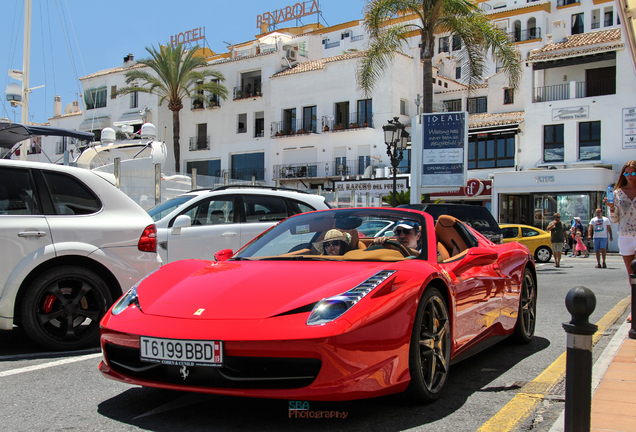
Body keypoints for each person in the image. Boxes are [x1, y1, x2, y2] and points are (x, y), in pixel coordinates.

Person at [605, 160, 636, 323]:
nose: (630, 176)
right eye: (627, 173)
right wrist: (611, 208)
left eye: (633, 173)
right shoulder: (617, 193)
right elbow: (615, 219)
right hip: (624, 235)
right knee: (632, 277)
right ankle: (634, 310)